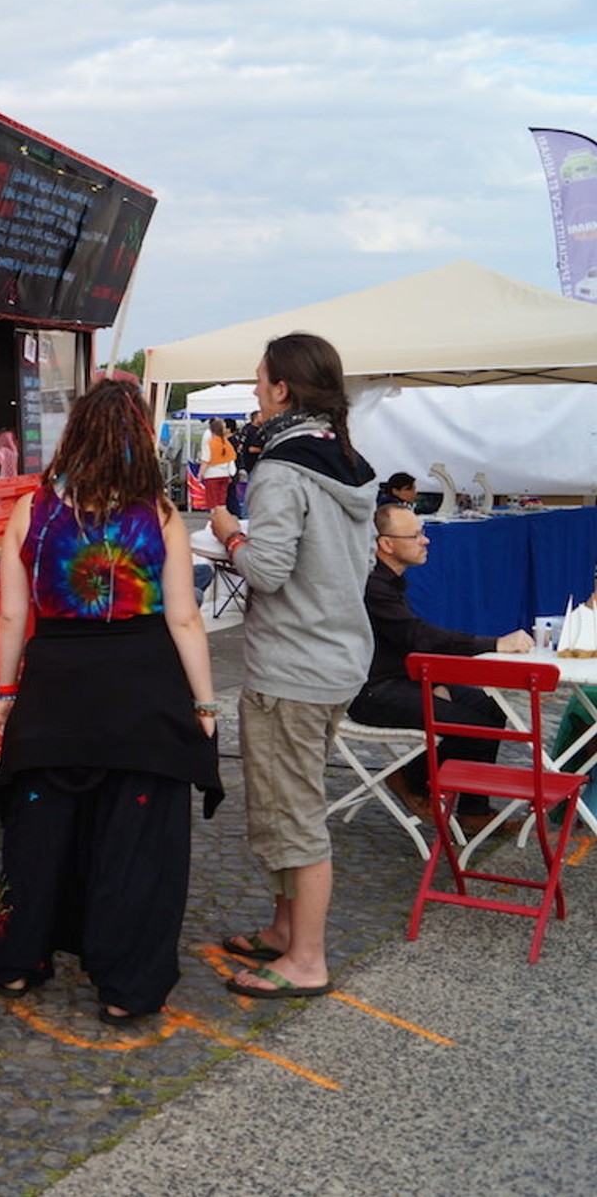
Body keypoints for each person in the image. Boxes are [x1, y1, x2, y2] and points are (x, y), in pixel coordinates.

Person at [0, 379, 221, 1026]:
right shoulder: (161, 517)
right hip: (144, 697)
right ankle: (125, 986)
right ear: (141, 439)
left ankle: (17, 963)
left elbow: (11, 616)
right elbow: (184, 619)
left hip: (54, 691)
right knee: (135, 846)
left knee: (38, 836)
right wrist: (205, 706)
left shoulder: (32, 512)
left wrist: (6, 691)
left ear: (74, 435)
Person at [208, 332, 375, 1001]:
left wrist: (229, 533)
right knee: (285, 806)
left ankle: (306, 958)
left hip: (293, 669)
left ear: (282, 389)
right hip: (335, 657)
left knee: (296, 814)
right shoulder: (348, 462)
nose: (253, 393)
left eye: (258, 383)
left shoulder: (281, 468)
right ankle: (284, 931)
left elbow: (269, 570)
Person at [348, 504, 532, 833]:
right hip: (373, 692)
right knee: (473, 729)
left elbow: (411, 641)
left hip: (403, 679)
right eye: (415, 535)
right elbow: (419, 637)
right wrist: (493, 644)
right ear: (386, 544)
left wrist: (432, 680)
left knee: (490, 710)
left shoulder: (388, 581)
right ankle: (410, 779)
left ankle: (474, 810)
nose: (425, 540)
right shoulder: (372, 585)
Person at [227, 411, 262, 517]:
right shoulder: (252, 431)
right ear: (255, 418)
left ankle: (247, 514)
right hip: (251, 465)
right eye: (260, 415)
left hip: (248, 465)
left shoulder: (247, 429)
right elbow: (251, 448)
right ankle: (246, 515)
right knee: (253, 491)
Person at [200, 417, 235, 510]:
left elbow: (205, 461)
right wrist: (231, 474)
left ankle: (215, 520)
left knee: (212, 501)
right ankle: (223, 518)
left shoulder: (210, 444)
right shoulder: (227, 444)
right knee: (222, 501)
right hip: (225, 475)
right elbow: (231, 460)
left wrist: (200, 475)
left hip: (211, 475)